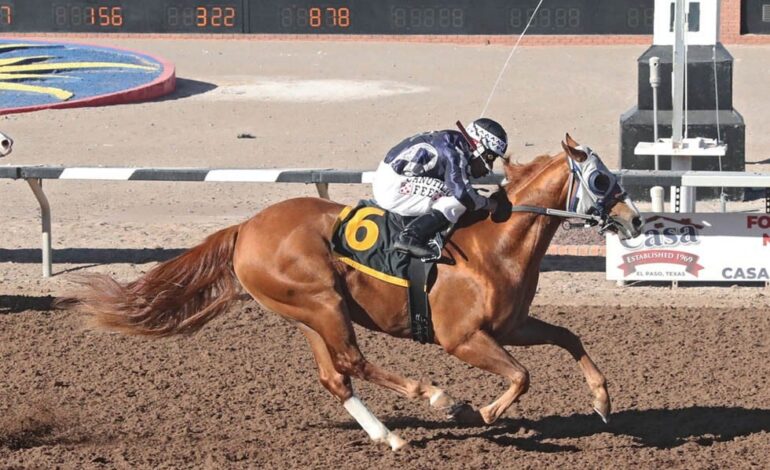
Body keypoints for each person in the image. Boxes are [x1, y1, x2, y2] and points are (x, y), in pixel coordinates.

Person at [372, 118, 508, 258]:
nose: (489, 168)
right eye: (489, 157)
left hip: (392, 177)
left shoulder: (454, 141)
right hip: (391, 187)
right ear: (478, 145)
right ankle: (409, 237)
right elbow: (463, 196)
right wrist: (491, 205)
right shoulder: (455, 154)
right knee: (458, 201)